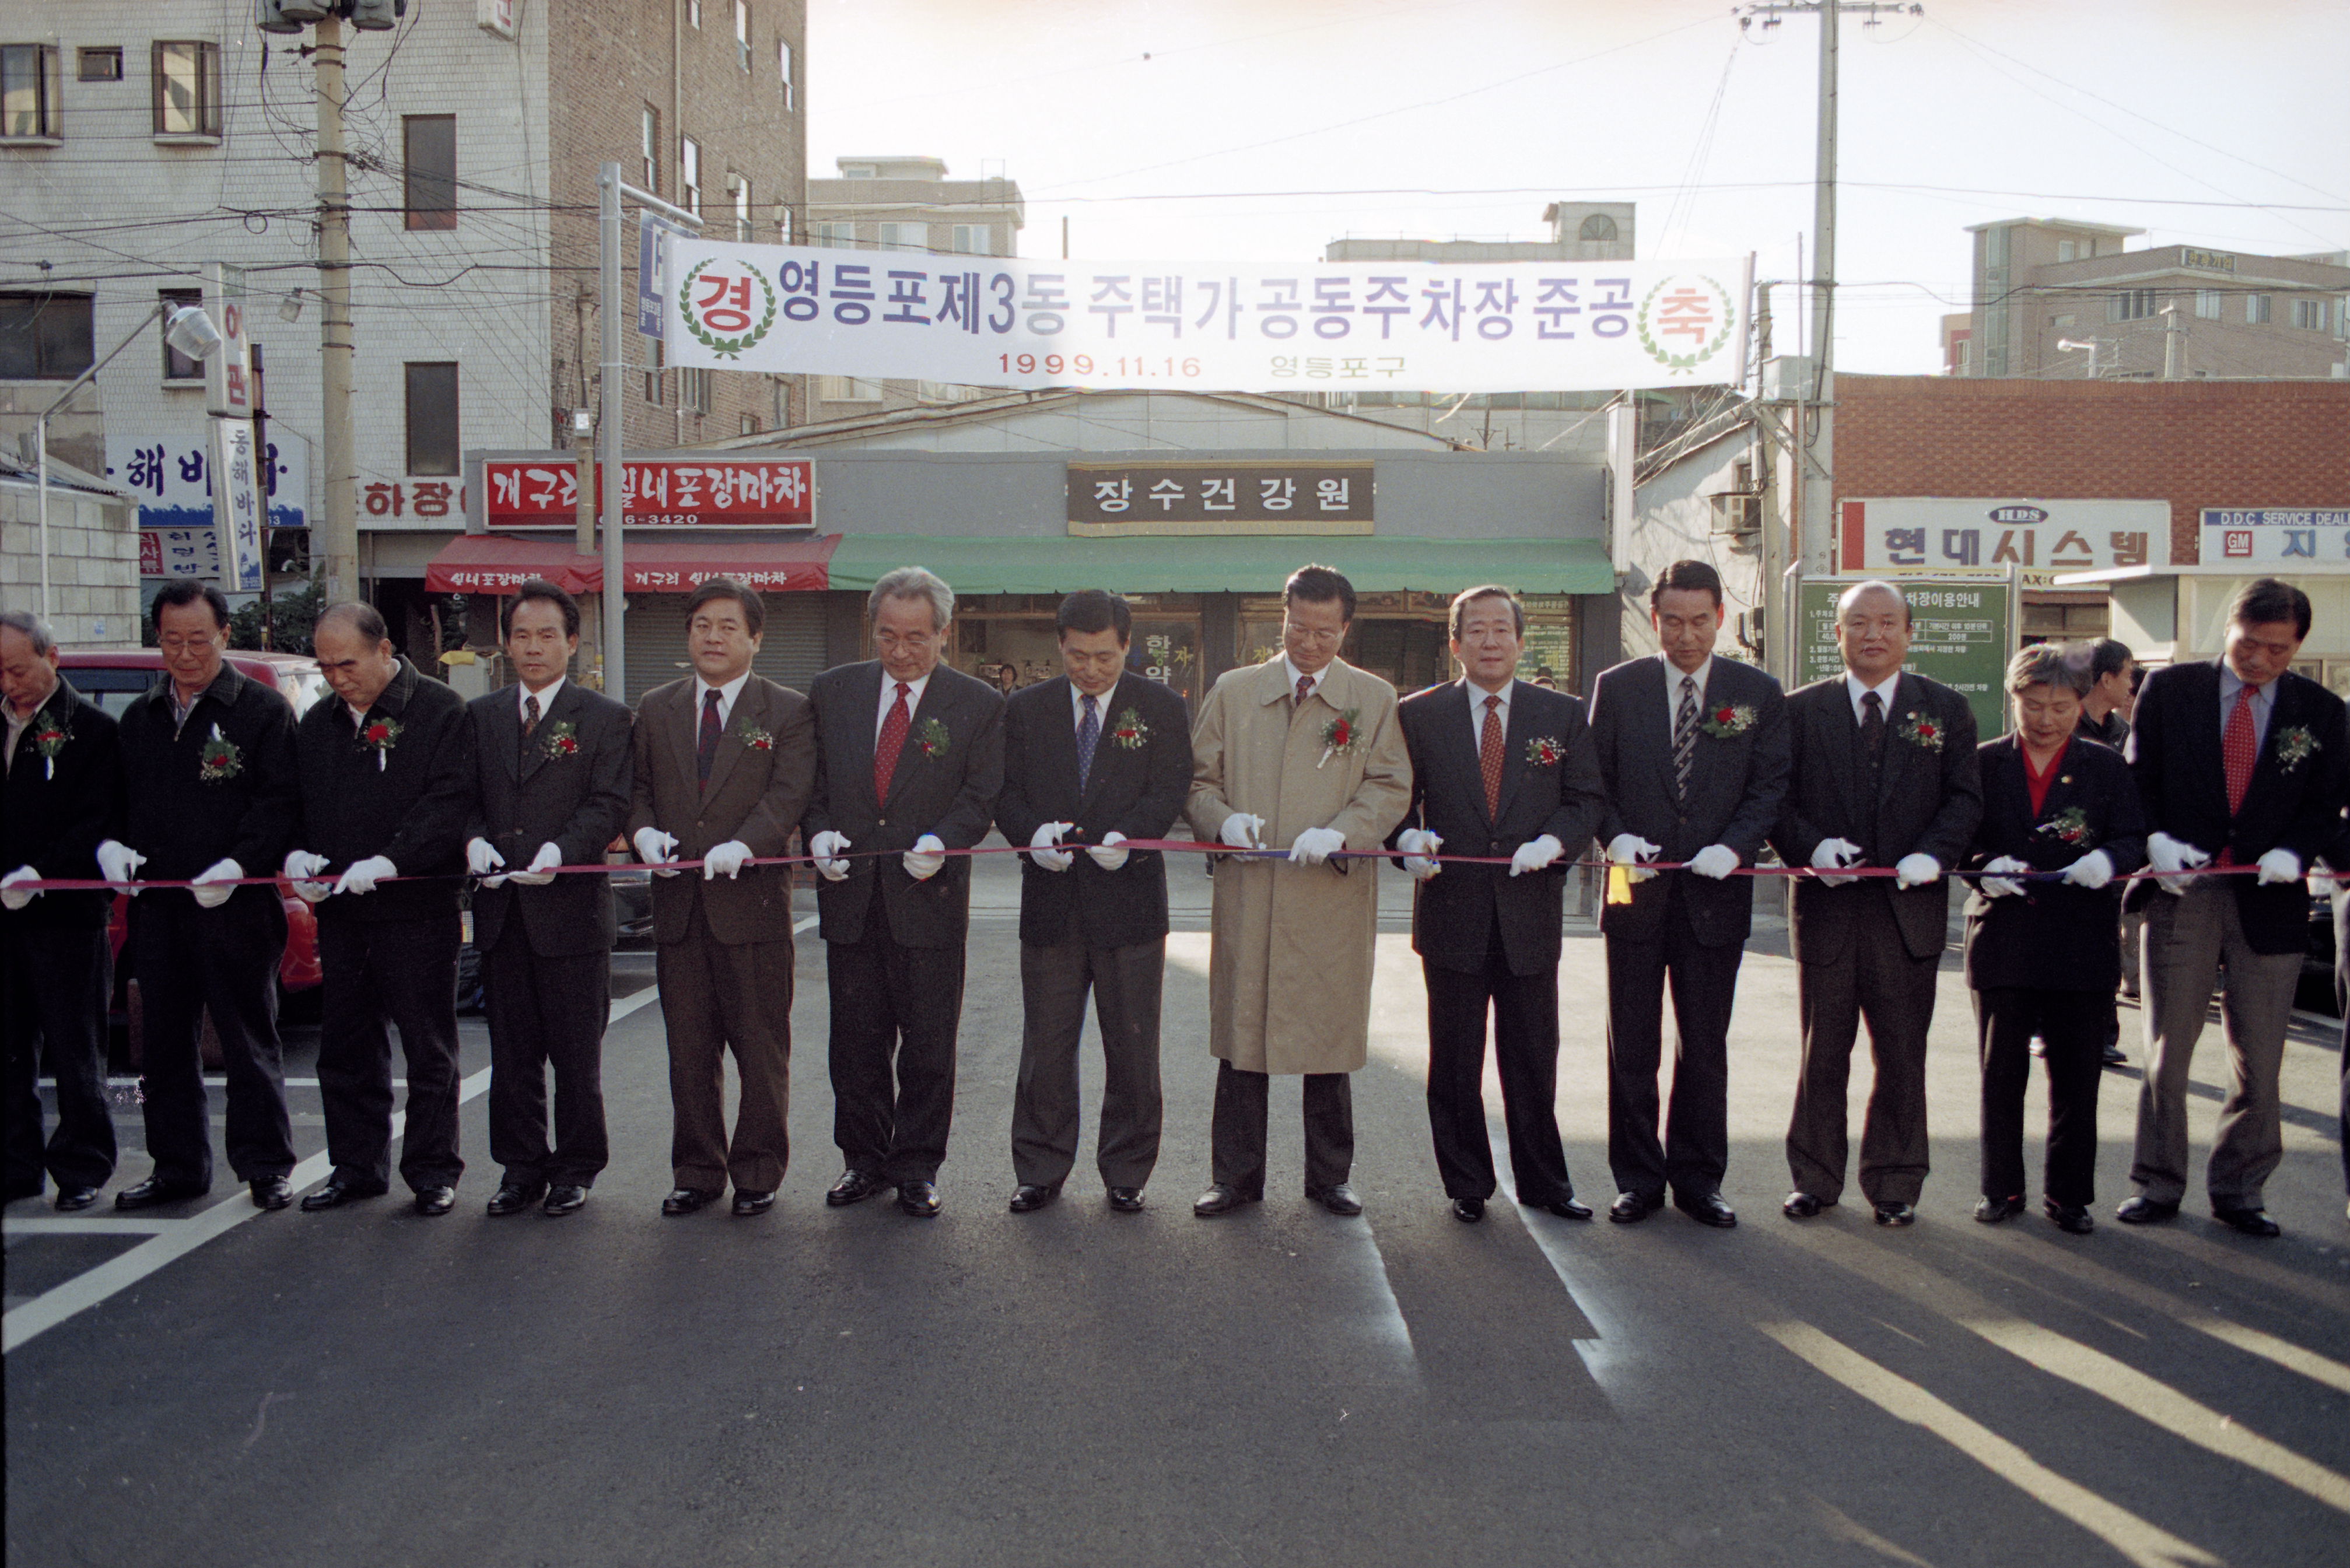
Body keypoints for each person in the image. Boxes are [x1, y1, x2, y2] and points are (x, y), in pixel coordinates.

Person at [2121, 577, 2347, 1237]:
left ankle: (2242, 1188)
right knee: (2169, 1046)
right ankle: (2157, 1181)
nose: (2260, 661)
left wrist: (2295, 851)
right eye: (2250, 645)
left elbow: (2325, 804)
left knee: (2261, 1054)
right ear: (2230, 628)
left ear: (2298, 645)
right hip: (2184, 891)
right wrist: (2154, 840)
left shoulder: (2321, 711)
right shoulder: (2171, 690)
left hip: (2269, 898)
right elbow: (2137, 779)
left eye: (2278, 651)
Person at [1186, 564, 1412, 1219]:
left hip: (1329, 895)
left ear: (1346, 627)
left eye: (1324, 632)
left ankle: (1329, 1177)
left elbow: (1391, 785)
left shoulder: (1371, 698)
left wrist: (1346, 831)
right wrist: (1222, 821)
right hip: (1253, 892)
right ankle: (1234, 1178)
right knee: (1243, 1039)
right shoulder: (1234, 691)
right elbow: (1198, 780)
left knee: (1328, 1041)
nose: (1308, 644)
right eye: (1297, 628)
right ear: (1279, 618)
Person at [1770, 580, 1981, 1227]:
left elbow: (1966, 799)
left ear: (1909, 634)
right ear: (1837, 634)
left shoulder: (1944, 708)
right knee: (1822, 1050)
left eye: (1888, 622)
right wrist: (1810, 849)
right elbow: (1775, 798)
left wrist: (1933, 854)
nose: (1874, 634)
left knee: (1901, 1053)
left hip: (1907, 911)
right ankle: (1814, 1177)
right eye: (1858, 622)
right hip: (1828, 908)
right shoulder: (1802, 710)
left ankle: (1895, 1182)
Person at [1391, 584, 1605, 1225]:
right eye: (1475, 631)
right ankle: (1467, 1182)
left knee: (1534, 1057)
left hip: (1529, 913)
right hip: (1452, 910)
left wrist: (1555, 840)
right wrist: (1407, 840)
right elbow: (1397, 801)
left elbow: (1586, 797)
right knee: (1455, 1061)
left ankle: (1546, 1182)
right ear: (1454, 643)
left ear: (1520, 639)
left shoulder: (1561, 715)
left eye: (1501, 630)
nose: (1489, 641)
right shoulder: (1420, 714)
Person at [1588, 560, 1790, 1229]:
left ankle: (1700, 1179)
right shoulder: (1618, 687)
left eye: (1700, 620)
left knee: (1705, 1043)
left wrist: (1734, 847)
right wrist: (1614, 839)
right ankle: (1638, 1179)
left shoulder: (1755, 690)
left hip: (1715, 895)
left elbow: (1769, 787)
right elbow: (1597, 784)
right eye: (1672, 621)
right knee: (1633, 1044)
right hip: (1634, 889)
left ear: (1720, 618)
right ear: (1654, 620)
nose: (1686, 635)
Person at [804, 567, 1004, 1219]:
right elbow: (816, 786)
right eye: (888, 636)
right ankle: (862, 1160)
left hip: (930, 898)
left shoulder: (975, 703)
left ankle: (917, 1166)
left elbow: (981, 795)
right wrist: (819, 837)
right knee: (856, 1043)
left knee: (927, 1043)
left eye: (916, 638)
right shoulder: (834, 692)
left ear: (943, 634)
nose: (900, 651)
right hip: (852, 896)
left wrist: (944, 841)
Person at [103, 578, 302, 1212]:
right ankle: (178, 1167)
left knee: (248, 1040)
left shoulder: (260, 711)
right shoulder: (141, 717)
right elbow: (119, 802)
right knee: (162, 1045)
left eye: (198, 639)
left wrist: (238, 864)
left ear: (224, 635)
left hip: (235, 905)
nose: (185, 654)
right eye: (171, 641)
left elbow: (280, 803)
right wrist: (116, 850)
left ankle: (266, 1165)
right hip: (159, 909)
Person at [993, 590, 1191, 1214]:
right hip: (1052, 901)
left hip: (1128, 903)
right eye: (1078, 656)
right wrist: (1032, 837)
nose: (1091, 669)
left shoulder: (1158, 706)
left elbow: (1170, 788)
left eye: (1105, 657)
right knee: (1046, 1047)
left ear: (1127, 646)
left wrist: (1130, 838)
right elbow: (1006, 791)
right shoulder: (1025, 709)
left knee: (1132, 1046)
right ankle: (1040, 1167)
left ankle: (1127, 1169)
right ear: (1060, 646)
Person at [628, 578, 815, 1218]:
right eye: (702, 624)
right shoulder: (657, 706)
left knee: (761, 1048)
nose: (713, 636)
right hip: (679, 908)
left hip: (753, 907)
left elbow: (789, 794)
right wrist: (642, 829)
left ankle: (758, 1169)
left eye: (729, 626)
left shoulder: (786, 709)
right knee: (689, 1049)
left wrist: (747, 842)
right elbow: (639, 786)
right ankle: (697, 1170)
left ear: (756, 638)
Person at [286, 603, 477, 1217]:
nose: (338, 678)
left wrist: (393, 860)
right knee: (345, 1044)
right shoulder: (318, 724)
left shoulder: (441, 711)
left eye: (348, 664)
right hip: (343, 912)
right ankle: (356, 1166)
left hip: (417, 906)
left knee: (427, 1046)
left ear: (385, 649)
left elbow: (449, 802)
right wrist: (303, 860)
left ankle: (431, 1169)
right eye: (326, 667)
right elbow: (302, 803)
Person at [1963, 644, 2145, 1234]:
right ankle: (2000, 1188)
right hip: (2005, 939)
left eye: (2061, 707)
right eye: (2034, 706)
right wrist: (1984, 867)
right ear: (2013, 699)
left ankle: (2069, 1195)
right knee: (2001, 1073)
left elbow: (2132, 837)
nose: (2046, 720)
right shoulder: (1984, 763)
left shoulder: (2106, 766)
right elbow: (1956, 837)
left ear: (2081, 701)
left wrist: (2106, 860)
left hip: (2080, 941)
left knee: (2077, 1075)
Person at [464, 580, 633, 1218]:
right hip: (503, 911)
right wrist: (473, 841)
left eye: (546, 635)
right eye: (521, 635)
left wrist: (562, 852)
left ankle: (577, 1166)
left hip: (572, 913)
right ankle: (519, 1167)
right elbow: (466, 798)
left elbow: (609, 803)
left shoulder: (605, 718)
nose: (533, 648)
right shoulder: (480, 716)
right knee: (511, 1055)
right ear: (506, 643)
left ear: (571, 642)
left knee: (575, 1054)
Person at [2, 610, 124, 1212]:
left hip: (67, 916)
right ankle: (14, 1164)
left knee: (76, 1046)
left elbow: (98, 819)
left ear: (52, 658)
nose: (9, 683)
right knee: (7, 1046)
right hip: (2, 911)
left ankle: (81, 1165)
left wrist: (43, 873)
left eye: (18, 669)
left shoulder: (94, 729)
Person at [2076, 638, 2135, 750]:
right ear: (2107, 680)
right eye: (2127, 676)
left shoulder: (2124, 732)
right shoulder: (2064, 727)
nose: (2131, 685)